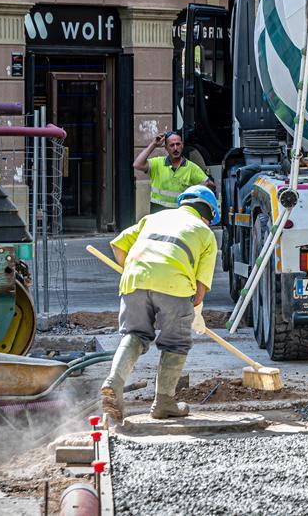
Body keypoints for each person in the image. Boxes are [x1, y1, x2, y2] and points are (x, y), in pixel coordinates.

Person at [100, 185, 220, 423]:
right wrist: (189, 313)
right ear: (208, 215)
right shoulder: (205, 233)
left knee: (134, 334)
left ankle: (113, 382)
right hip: (174, 286)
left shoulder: (154, 218)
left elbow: (117, 245)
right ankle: (164, 401)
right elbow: (198, 293)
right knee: (176, 342)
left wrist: (141, 279)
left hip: (134, 280)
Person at [134, 131, 214, 214]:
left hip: (180, 212)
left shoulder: (191, 168)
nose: (175, 148)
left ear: (182, 145)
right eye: (172, 145)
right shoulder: (158, 163)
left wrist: (199, 188)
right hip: (158, 212)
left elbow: (210, 185)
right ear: (166, 148)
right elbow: (137, 164)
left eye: (178, 144)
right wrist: (153, 144)